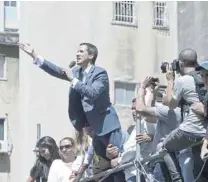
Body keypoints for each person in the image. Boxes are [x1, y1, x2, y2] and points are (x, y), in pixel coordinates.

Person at [18, 42, 124, 181]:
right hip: (95, 130)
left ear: (91, 55)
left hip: (108, 127)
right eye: (77, 51)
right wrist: (34, 54)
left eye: (81, 51)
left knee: (116, 163)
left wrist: (73, 80)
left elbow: (92, 93)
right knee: (101, 167)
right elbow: (56, 70)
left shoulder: (100, 73)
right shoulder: (76, 73)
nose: (77, 54)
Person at [161, 48, 208, 180]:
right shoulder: (203, 75)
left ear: (181, 64)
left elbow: (170, 103)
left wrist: (170, 80)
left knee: (163, 146)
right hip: (205, 132)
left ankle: (177, 179)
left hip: (191, 130)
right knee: (200, 170)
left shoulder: (183, 80)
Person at [106, 85, 155, 182]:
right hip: (130, 174)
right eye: (132, 109)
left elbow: (134, 150)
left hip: (141, 173)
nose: (134, 111)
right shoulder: (131, 130)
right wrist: (112, 154)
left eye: (136, 108)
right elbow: (127, 149)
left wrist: (119, 161)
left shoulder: (147, 123)